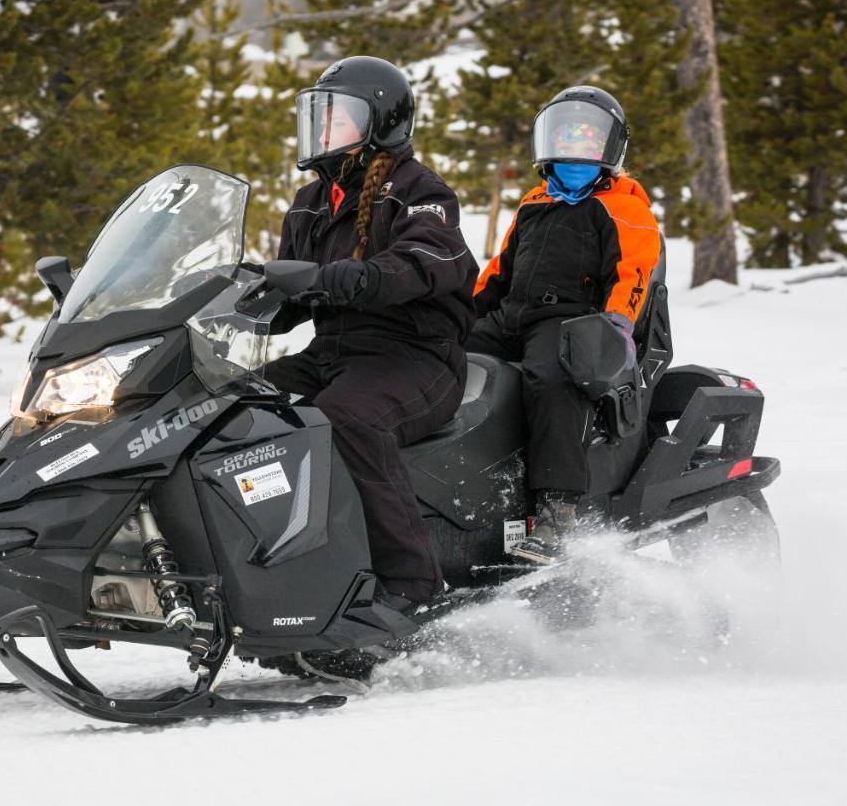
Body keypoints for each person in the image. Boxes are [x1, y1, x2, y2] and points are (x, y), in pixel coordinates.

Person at [265, 56, 477, 608]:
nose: (323, 130)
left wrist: (355, 278)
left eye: (338, 118)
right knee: (236, 408)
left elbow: (430, 259)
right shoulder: (313, 201)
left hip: (417, 358)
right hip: (334, 354)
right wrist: (229, 297)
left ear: (381, 121)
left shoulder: (418, 189)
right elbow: (288, 286)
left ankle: (413, 585)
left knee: (350, 419)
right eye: (319, 117)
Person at [465, 85, 662, 563]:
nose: (575, 149)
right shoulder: (535, 201)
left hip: (571, 322)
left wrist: (615, 325)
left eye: (587, 140)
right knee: (441, 356)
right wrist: (460, 313)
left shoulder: (623, 207)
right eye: (566, 138)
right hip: (511, 316)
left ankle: (558, 509)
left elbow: (635, 272)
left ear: (609, 148)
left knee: (552, 378)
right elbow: (500, 269)